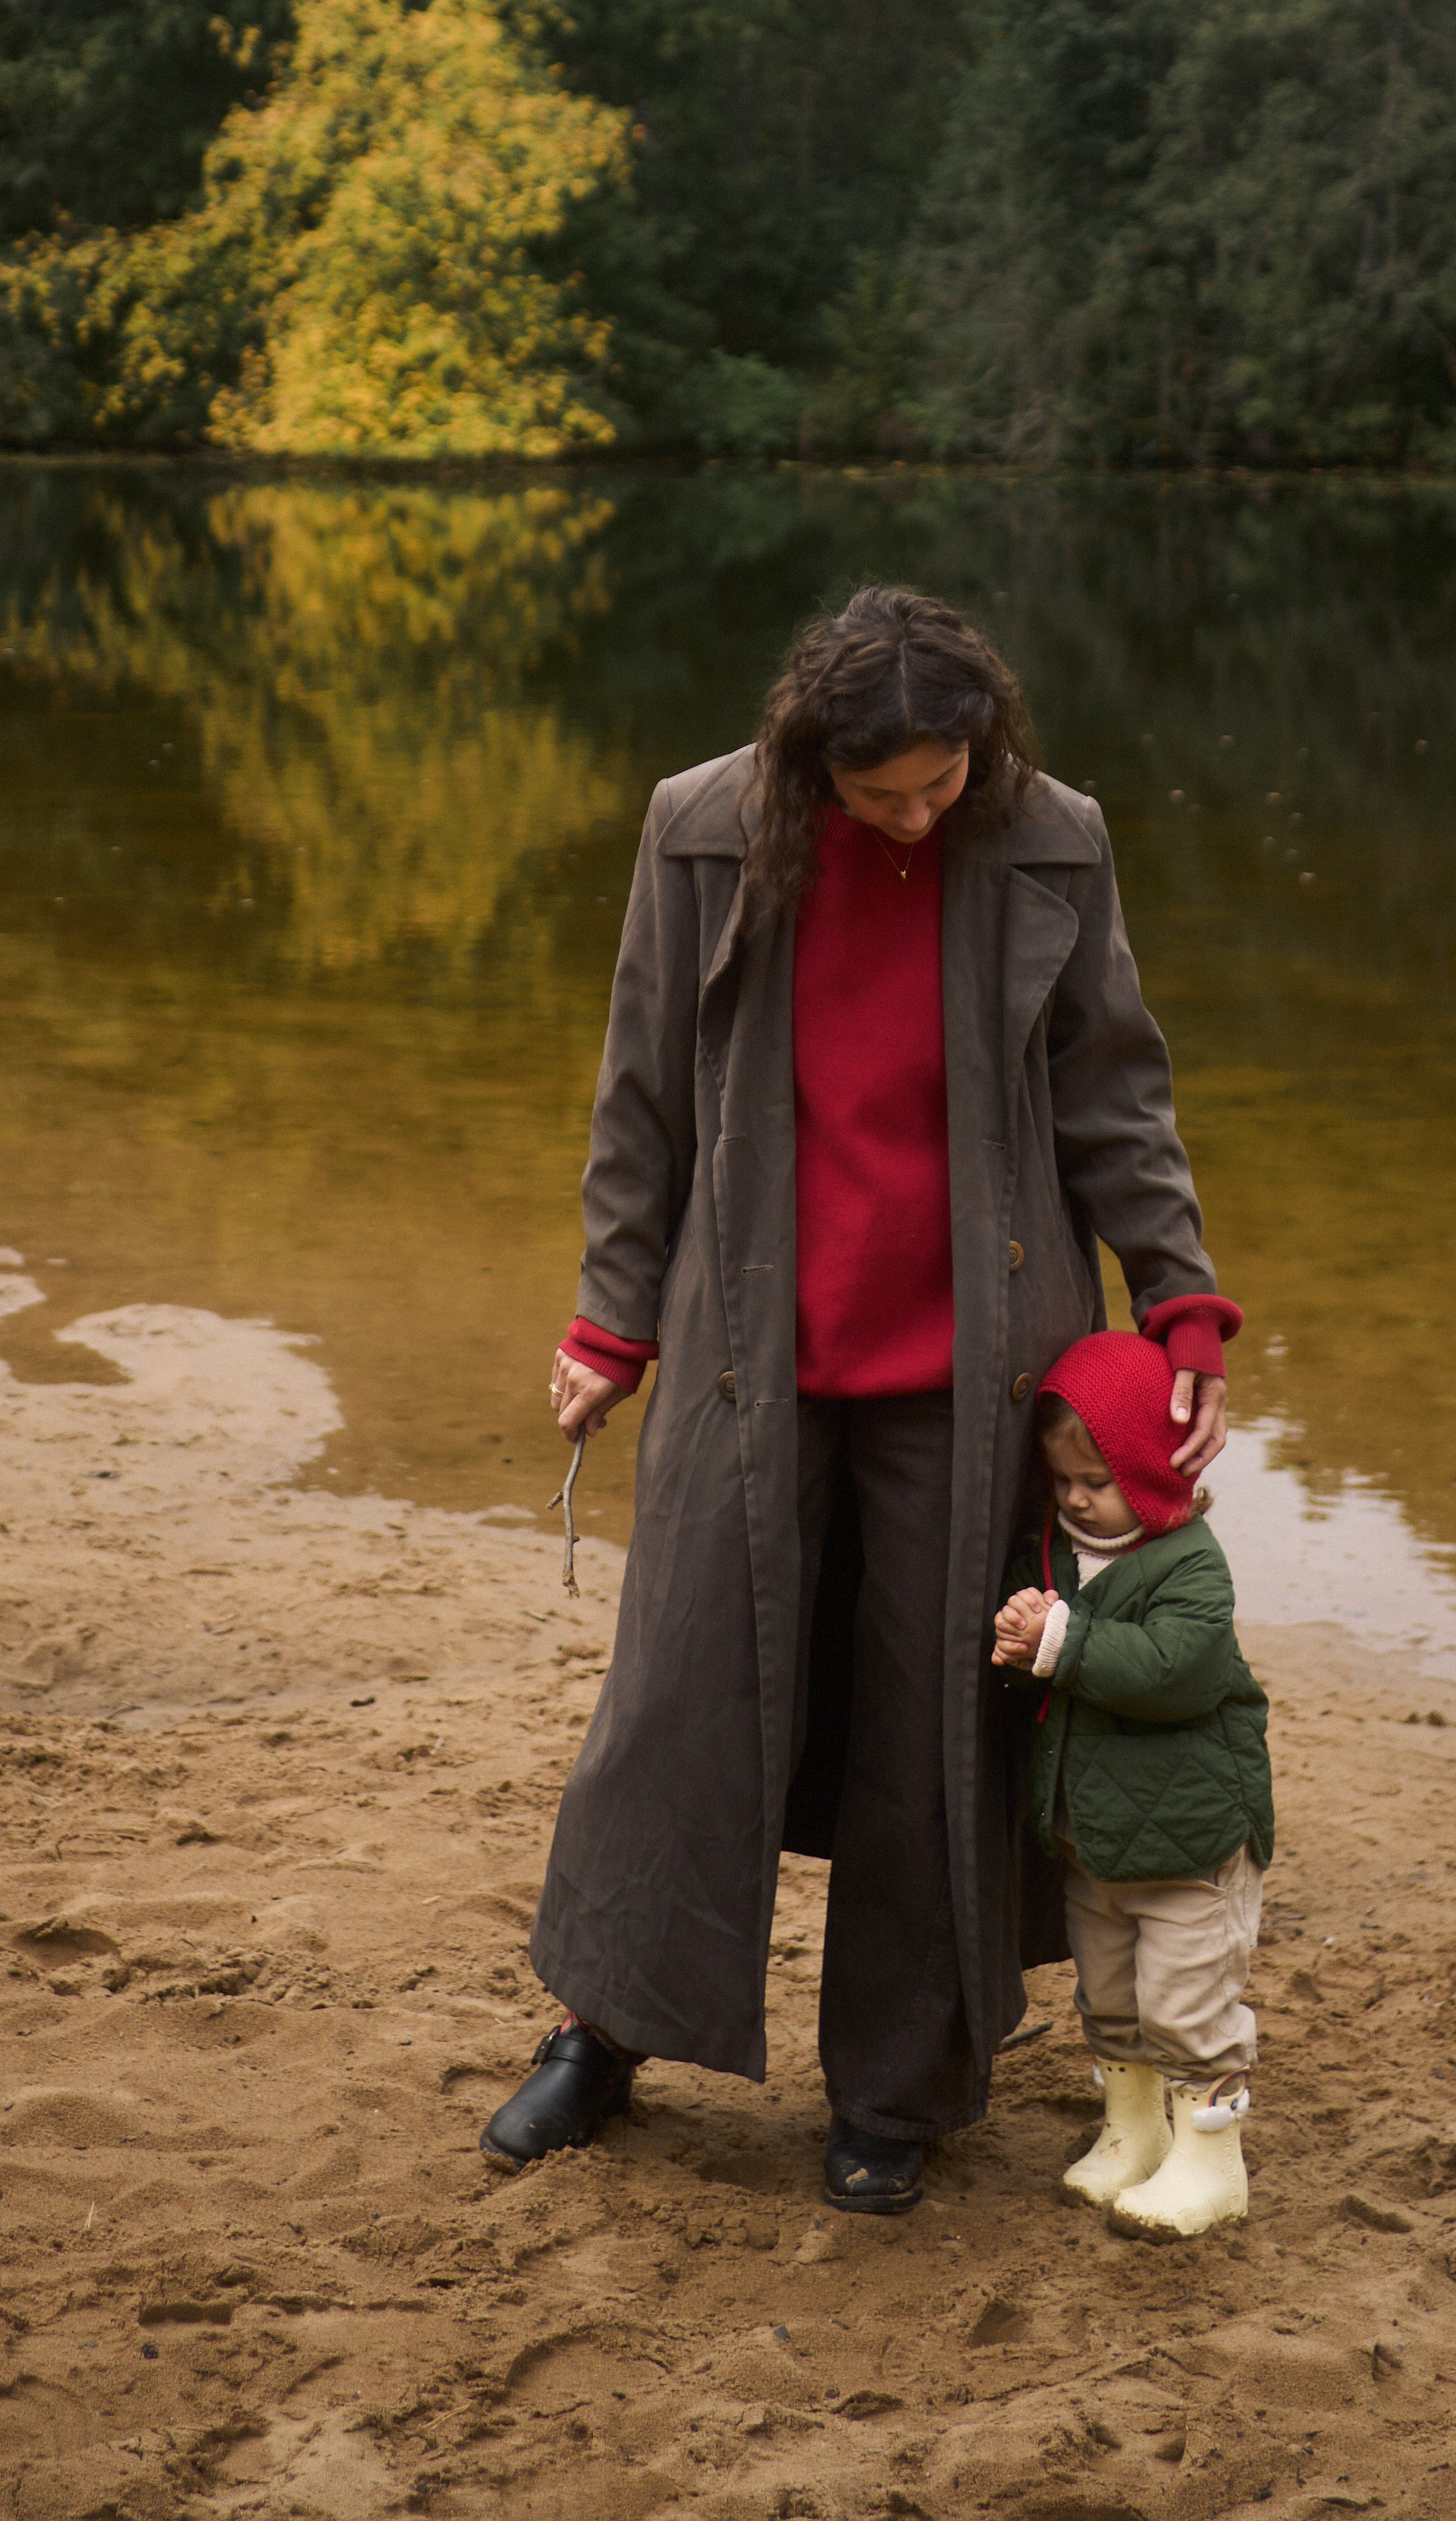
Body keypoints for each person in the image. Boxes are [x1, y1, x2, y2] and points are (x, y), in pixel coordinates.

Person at [479, 585, 1241, 2212]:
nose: (911, 814)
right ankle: (599, 2031)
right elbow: (640, 1095)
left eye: (939, 781)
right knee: (677, 1700)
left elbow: (1114, 1093)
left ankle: (893, 2092)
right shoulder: (700, 829)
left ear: (985, 742)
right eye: (875, 789)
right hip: (745, 1345)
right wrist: (611, 1317)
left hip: (978, 1372)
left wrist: (1178, 1305)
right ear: (804, 757)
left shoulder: (1048, 837)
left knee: (934, 1727)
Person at [993, 1332, 1271, 2239]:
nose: (1076, 1497)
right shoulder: (1056, 1552)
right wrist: (1020, 1632)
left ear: (1155, 1470)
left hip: (1191, 1842)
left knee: (1188, 2005)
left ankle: (1211, 2163)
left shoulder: (1189, 1561)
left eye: (1097, 1480)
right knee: (1110, 1996)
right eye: (1062, 1478)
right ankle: (1133, 2129)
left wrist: (1061, 1641)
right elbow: (1046, 1653)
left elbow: (1170, 1670)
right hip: (1098, 1837)